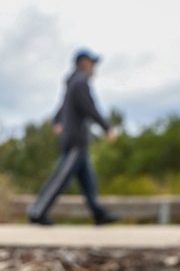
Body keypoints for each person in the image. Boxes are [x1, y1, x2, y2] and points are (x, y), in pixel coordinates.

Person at [28, 48, 118, 226]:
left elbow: (63, 105)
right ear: (84, 63)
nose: (94, 68)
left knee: (88, 180)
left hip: (77, 139)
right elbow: (89, 107)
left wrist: (57, 121)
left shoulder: (72, 83)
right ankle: (37, 211)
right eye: (93, 64)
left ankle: (98, 212)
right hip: (75, 139)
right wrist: (107, 127)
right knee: (61, 178)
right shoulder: (80, 82)